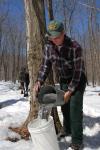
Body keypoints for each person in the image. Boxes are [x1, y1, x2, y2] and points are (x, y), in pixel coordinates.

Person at [33, 20, 87, 150]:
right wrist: (39, 80)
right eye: (52, 37)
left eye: (57, 36)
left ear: (63, 33)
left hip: (77, 80)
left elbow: (78, 72)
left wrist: (70, 91)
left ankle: (77, 141)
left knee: (74, 109)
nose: (55, 39)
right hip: (63, 79)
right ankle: (67, 130)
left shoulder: (75, 47)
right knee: (64, 107)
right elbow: (46, 65)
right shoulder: (48, 46)